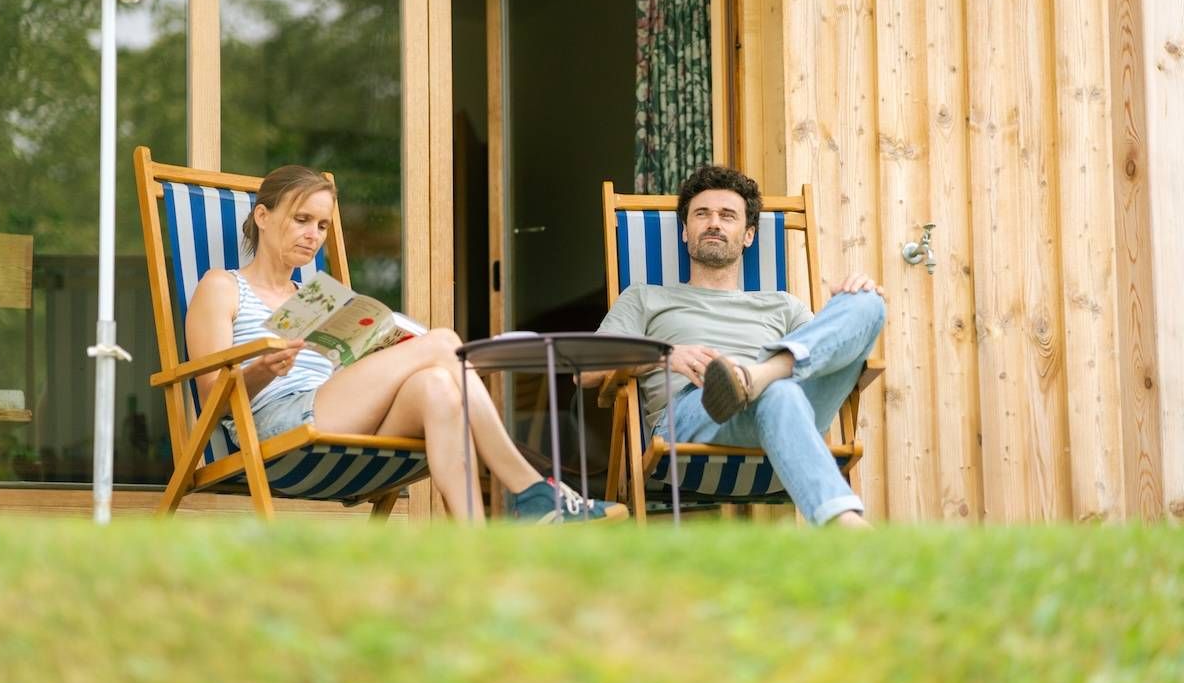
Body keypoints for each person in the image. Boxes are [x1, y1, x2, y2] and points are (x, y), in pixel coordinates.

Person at [186, 164, 626, 524]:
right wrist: (263, 369)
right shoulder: (223, 287)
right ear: (262, 216)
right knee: (442, 343)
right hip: (278, 433)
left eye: (321, 225)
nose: (313, 235)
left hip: (335, 417)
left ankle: (482, 549)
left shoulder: (318, 296)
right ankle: (532, 488)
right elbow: (212, 401)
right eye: (302, 220)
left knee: (437, 383)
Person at [582, 165, 885, 528]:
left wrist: (851, 303)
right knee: (780, 393)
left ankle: (756, 375)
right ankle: (845, 522)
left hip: (792, 411)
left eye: (728, 216)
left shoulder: (784, 304)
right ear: (685, 230)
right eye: (701, 214)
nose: (714, 223)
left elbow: (827, 356)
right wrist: (661, 356)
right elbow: (587, 371)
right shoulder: (646, 298)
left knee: (869, 302)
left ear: (748, 236)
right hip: (696, 409)